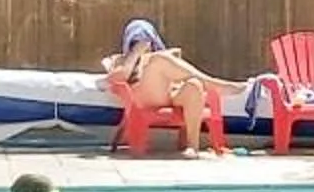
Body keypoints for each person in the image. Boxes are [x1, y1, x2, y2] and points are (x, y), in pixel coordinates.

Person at [100, 19, 237, 156]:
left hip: (169, 95)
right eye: (135, 42)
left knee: (194, 85)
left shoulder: (159, 56)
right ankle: (214, 83)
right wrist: (135, 54)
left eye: (147, 41)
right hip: (144, 101)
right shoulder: (119, 61)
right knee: (158, 60)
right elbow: (118, 76)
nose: (143, 45)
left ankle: (192, 147)